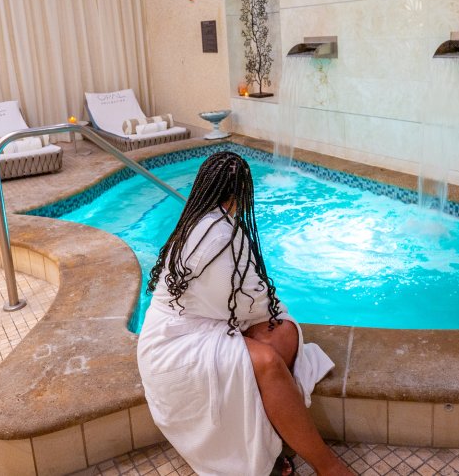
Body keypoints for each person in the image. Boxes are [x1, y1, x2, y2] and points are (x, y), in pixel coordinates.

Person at [137, 151, 352, 476]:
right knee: (268, 361)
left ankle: (273, 445)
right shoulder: (222, 235)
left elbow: (247, 303)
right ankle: (328, 466)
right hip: (176, 353)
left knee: (282, 335)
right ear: (240, 194)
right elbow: (254, 302)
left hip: (176, 336)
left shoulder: (197, 221)